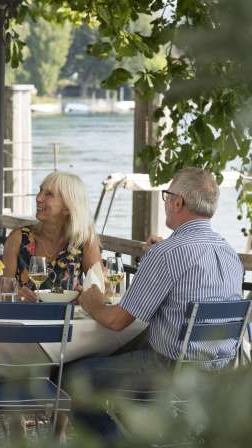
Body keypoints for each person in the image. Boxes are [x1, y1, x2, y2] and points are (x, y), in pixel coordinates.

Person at [66, 167, 244, 439]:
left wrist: (92, 301)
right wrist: (152, 258)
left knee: (72, 378)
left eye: (167, 195)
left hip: (168, 371)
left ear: (178, 202)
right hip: (215, 373)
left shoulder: (167, 254)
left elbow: (116, 322)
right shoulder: (229, 253)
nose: (165, 203)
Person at [1, 171, 101, 301]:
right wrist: (15, 296)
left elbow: (100, 292)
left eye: (48, 194)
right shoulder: (18, 238)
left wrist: (85, 296)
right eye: (40, 191)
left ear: (67, 208)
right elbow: (1, 294)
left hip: (67, 319)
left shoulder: (84, 240)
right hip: (25, 318)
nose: (38, 198)